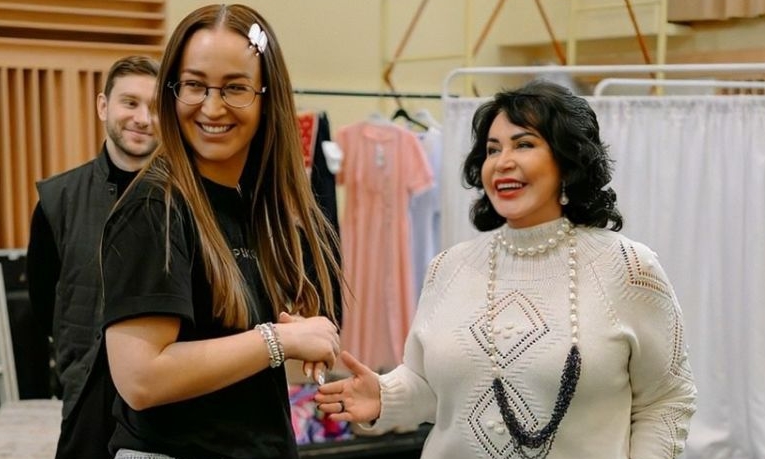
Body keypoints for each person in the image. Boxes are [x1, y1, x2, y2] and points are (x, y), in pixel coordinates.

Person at [316, 79, 697, 459]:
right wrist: (384, 395)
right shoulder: (449, 268)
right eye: (492, 150)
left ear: (568, 160)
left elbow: (667, 400)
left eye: (524, 144)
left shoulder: (628, 268)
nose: (502, 162)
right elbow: (430, 386)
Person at [99, 4, 342, 459]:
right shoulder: (155, 207)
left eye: (235, 88)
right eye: (194, 85)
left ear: (267, 96)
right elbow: (141, 378)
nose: (212, 107)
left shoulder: (256, 205)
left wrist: (307, 337)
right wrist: (278, 340)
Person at [26, 55, 159, 459]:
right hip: (87, 389)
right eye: (130, 102)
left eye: (155, 107)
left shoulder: (188, 200)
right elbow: (44, 298)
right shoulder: (58, 199)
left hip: (164, 398)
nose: (143, 118)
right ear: (103, 106)